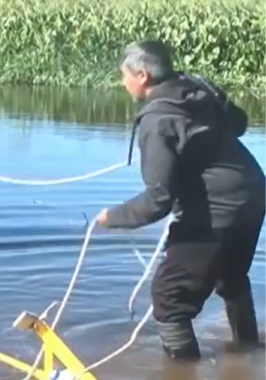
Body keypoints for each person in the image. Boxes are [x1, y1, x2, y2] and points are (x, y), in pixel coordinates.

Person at [94, 39, 266, 361]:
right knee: (230, 277)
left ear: (142, 76)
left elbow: (157, 200)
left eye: (124, 74)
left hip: (218, 210)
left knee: (169, 298)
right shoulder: (196, 88)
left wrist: (111, 217)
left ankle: (183, 369)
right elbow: (240, 125)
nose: (122, 82)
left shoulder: (157, 120)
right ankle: (248, 355)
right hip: (253, 194)